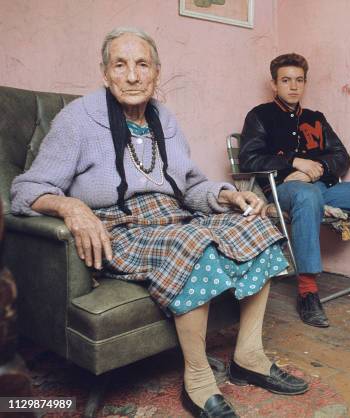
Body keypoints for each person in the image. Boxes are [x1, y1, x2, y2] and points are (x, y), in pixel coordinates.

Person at [11, 28, 308, 418]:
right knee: (194, 243)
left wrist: (229, 196)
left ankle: (248, 356)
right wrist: (71, 207)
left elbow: (190, 187)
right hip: (122, 225)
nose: (132, 76)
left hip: (173, 214)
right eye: (121, 65)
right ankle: (198, 378)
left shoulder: (164, 119)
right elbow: (25, 189)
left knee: (258, 226)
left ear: (156, 73)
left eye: (142, 65)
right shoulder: (78, 119)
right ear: (105, 73)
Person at [239, 53, 350, 328]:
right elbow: (248, 159)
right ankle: (308, 292)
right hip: (286, 191)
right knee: (306, 193)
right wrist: (293, 163)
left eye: (299, 80)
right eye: (286, 80)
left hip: (325, 188)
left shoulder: (316, 118)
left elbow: (341, 157)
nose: (293, 86)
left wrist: (317, 168)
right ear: (274, 84)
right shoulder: (260, 116)